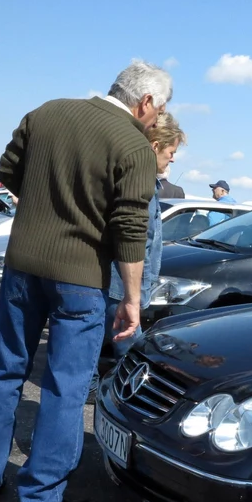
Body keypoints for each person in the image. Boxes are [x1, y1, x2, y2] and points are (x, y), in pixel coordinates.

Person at [0, 60, 172, 502]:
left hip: (22, 264)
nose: (158, 120)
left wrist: (47, 205)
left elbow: (8, 172)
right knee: (65, 386)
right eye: (160, 110)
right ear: (146, 102)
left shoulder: (47, 112)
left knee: (5, 369)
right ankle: (39, 498)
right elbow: (129, 229)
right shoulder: (133, 145)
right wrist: (133, 299)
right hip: (80, 278)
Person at [88, 112, 186, 403]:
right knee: (131, 351)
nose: (173, 160)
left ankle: (100, 389)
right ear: (154, 146)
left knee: (105, 343)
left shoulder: (151, 187)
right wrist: (132, 294)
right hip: (121, 288)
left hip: (124, 288)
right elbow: (133, 241)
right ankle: (116, 397)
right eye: (171, 152)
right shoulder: (139, 186)